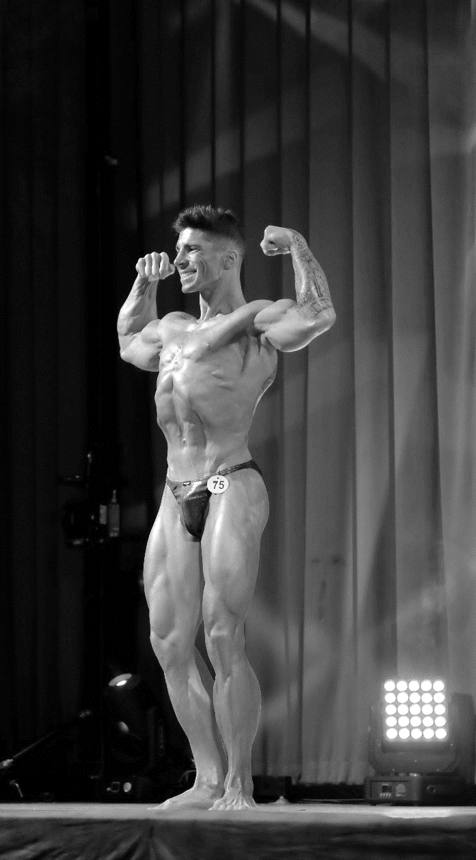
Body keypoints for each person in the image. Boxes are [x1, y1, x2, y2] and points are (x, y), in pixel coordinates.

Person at [117, 206, 335, 810]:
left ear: (229, 257)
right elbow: (129, 342)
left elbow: (318, 315)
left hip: (229, 482)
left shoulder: (257, 320)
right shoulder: (172, 327)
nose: (181, 259)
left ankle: (240, 782)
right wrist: (143, 284)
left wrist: (298, 245)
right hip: (175, 490)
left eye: (192, 250)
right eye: (179, 250)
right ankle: (207, 777)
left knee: (221, 633)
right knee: (168, 642)